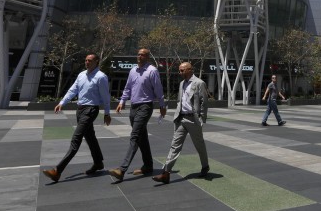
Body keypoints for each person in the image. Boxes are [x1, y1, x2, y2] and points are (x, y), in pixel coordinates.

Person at [42, 54, 111, 183]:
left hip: (91, 110)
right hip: (80, 110)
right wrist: (62, 103)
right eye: (85, 60)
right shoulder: (81, 75)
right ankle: (98, 163)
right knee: (90, 137)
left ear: (96, 62)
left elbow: (106, 97)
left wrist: (107, 114)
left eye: (90, 61)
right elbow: (73, 90)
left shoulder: (101, 77)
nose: (87, 62)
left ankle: (57, 171)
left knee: (76, 139)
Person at [108, 48, 167, 182]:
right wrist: (122, 101)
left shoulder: (152, 70)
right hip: (133, 107)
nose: (139, 56)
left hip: (146, 106)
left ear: (147, 57)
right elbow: (128, 87)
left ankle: (122, 169)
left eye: (143, 55)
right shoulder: (133, 70)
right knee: (141, 137)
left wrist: (162, 106)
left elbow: (158, 89)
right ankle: (148, 166)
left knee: (134, 136)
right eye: (138, 54)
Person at [153, 62, 209, 184]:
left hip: (193, 119)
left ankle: (205, 166)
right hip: (181, 119)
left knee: (199, 145)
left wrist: (201, 119)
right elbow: (180, 100)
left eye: (182, 70)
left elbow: (204, 102)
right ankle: (166, 173)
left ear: (190, 70)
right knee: (175, 145)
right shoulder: (182, 84)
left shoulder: (199, 83)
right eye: (179, 70)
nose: (180, 73)